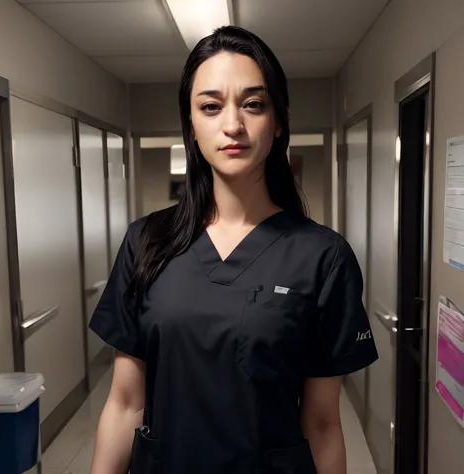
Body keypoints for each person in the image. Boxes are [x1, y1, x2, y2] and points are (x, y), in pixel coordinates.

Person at [88, 26, 378, 474]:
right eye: (210, 106)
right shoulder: (146, 242)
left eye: (253, 104)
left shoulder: (323, 257)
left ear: (278, 120)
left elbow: (322, 424)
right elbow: (125, 403)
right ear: (191, 125)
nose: (232, 125)